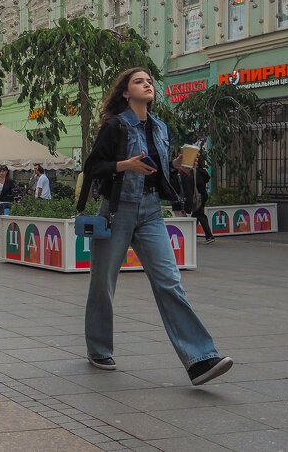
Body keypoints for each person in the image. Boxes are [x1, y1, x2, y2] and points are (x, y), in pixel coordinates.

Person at [78, 67, 233, 386]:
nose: (147, 84)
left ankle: (201, 359)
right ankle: (98, 348)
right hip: (116, 211)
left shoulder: (161, 127)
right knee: (103, 283)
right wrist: (125, 165)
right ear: (125, 92)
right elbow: (93, 166)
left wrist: (175, 165)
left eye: (149, 81)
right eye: (139, 81)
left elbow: (159, 173)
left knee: (170, 282)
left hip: (151, 212)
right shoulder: (115, 126)